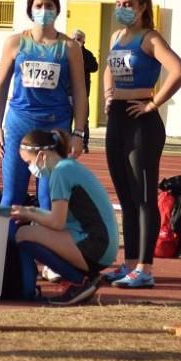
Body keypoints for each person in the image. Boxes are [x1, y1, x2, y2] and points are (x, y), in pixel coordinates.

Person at [102, 0, 181, 289]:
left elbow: (179, 70)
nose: (121, 9)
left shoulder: (150, 39)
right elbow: (108, 69)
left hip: (142, 124)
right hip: (118, 119)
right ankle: (128, 264)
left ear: (142, 7)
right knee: (125, 198)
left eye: (127, 4)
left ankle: (145, 268)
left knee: (143, 198)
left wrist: (153, 103)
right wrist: (108, 94)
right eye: (118, 4)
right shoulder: (116, 37)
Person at [0, 0, 89, 210]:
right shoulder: (15, 43)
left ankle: (43, 246)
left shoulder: (70, 47)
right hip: (19, 125)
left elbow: (79, 91)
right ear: (30, 9)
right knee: (12, 197)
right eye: (38, 5)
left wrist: (78, 133)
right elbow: (0, 86)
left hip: (55, 127)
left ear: (57, 9)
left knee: (48, 200)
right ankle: (7, 244)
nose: (43, 10)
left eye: (49, 5)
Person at [10, 129, 118, 306]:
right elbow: (59, 218)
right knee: (32, 230)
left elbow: (56, 222)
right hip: (102, 244)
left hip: (96, 245)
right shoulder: (68, 167)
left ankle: (78, 281)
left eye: (28, 162)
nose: (30, 168)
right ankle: (83, 278)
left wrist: (30, 214)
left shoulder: (60, 173)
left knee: (23, 235)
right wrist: (30, 212)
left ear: (42, 155)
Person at [71, 29, 100, 153]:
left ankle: (84, 144)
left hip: (83, 92)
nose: (75, 41)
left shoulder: (87, 54)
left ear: (83, 41)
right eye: (73, 39)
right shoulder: (65, 52)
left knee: (83, 119)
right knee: (67, 117)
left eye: (78, 39)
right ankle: (66, 142)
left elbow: (95, 67)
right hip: (67, 92)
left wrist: (81, 64)